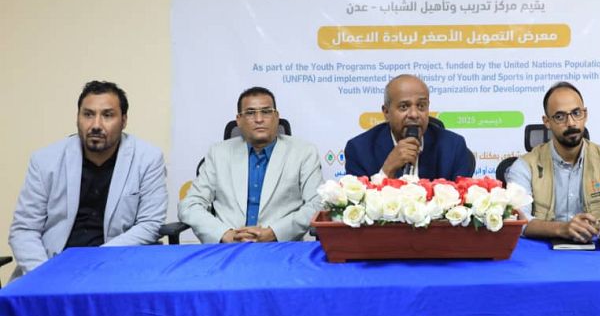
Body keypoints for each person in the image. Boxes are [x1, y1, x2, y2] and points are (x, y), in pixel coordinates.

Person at [8, 80, 167, 279]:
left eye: (107, 115)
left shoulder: (148, 159)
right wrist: (44, 274)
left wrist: (95, 262)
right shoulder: (44, 161)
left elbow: (150, 224)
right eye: (88, 114)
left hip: (114, 267)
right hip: (50, 266)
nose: (96, 125)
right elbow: (24, 229)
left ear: (124, 120)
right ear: (78, 118)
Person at [179, 86, 322, 243]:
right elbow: (190, 205)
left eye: (266, 112)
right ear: (239, 120)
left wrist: (274, 233)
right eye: (250, 113)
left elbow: (317, 204)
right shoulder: (218, 153)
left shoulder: (303, 152)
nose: (259, 119)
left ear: (276, 116)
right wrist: (225, 234)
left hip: (280, 246)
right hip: (229, 247)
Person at [506, 81, 600, 243]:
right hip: (544, 252)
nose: (571, 123)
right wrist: (562, 229)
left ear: (585, 114)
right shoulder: (524, 166)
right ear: (547, 121)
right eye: (560, 116)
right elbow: (518, 220)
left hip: (598, 251)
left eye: (576, 113)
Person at [344, 74, 474, 180]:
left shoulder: (453, 147)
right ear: (386, 112)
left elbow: (462, 200)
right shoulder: (359, 150)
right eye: (404, 107)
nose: (414, 114)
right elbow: (358, 203)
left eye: (421, 106)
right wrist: (387, 170)